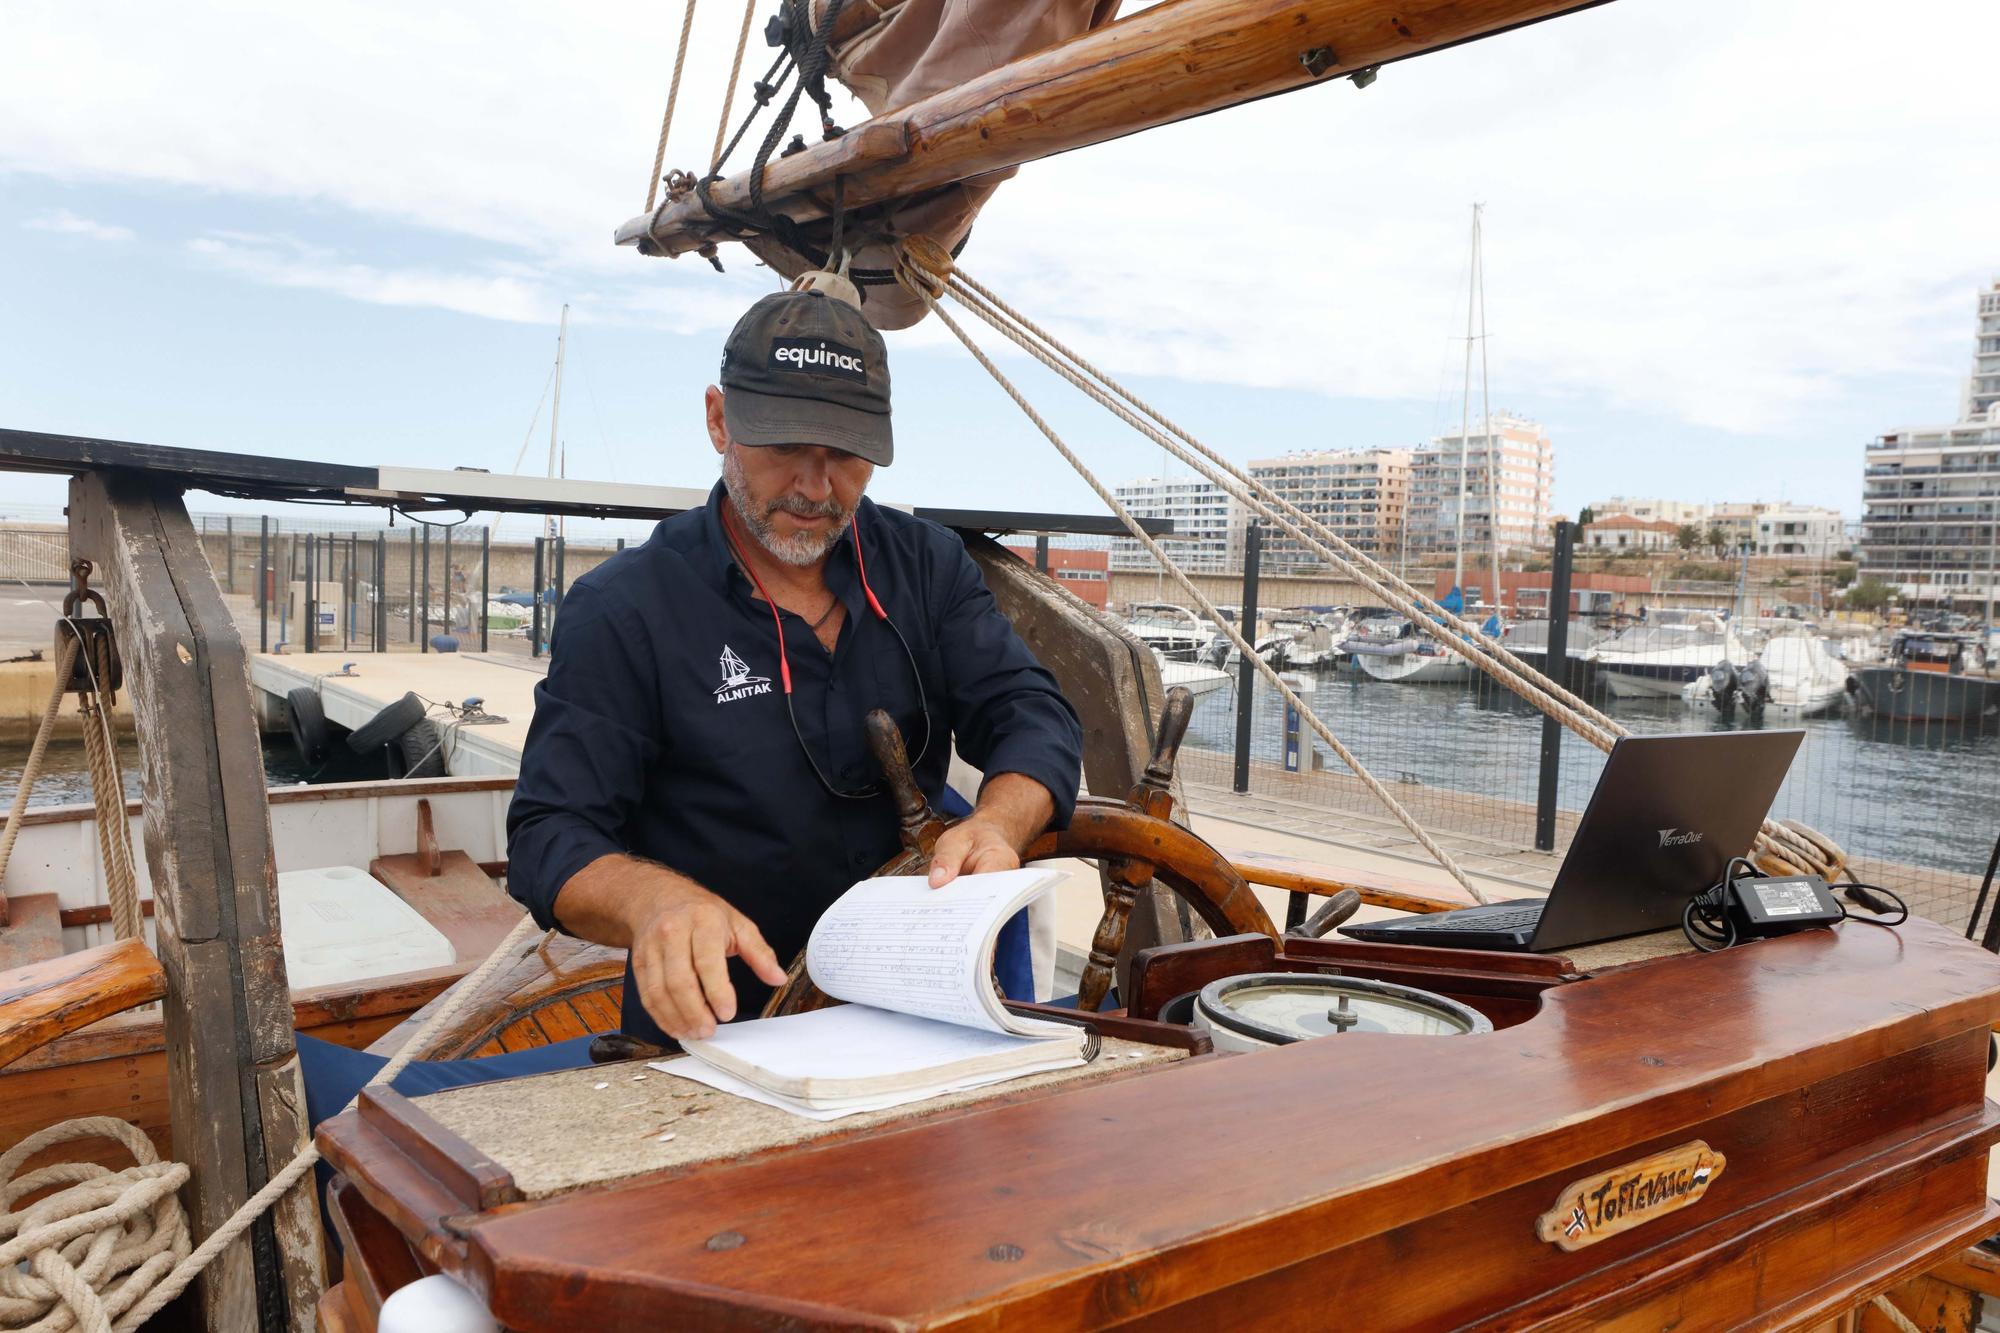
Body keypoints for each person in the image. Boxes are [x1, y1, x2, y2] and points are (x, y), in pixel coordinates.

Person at [504, 287, 1084, 1044]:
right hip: (715, 1039)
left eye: (844, 455)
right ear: (719, 420)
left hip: (922, 1014)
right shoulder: (623, 608)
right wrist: (654, 903)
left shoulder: (929, 567)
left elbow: (1031, 713)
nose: (816, 488)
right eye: (784, 447)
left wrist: (1000, 821)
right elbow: (550, 832)